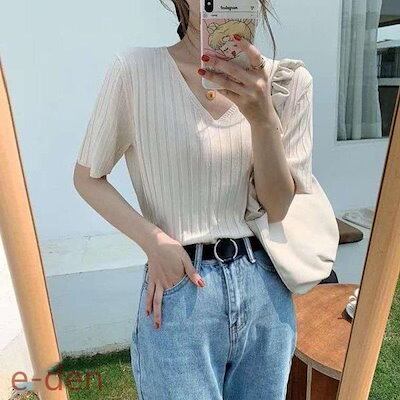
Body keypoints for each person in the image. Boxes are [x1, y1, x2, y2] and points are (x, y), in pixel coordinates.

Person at [73, 1, 314, 398]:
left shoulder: (288, 82)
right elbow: (87, 177)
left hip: (265, 290)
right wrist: (153, 241)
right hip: (182, 286)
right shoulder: (135, 72)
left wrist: (262, 117)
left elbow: (278, 206)